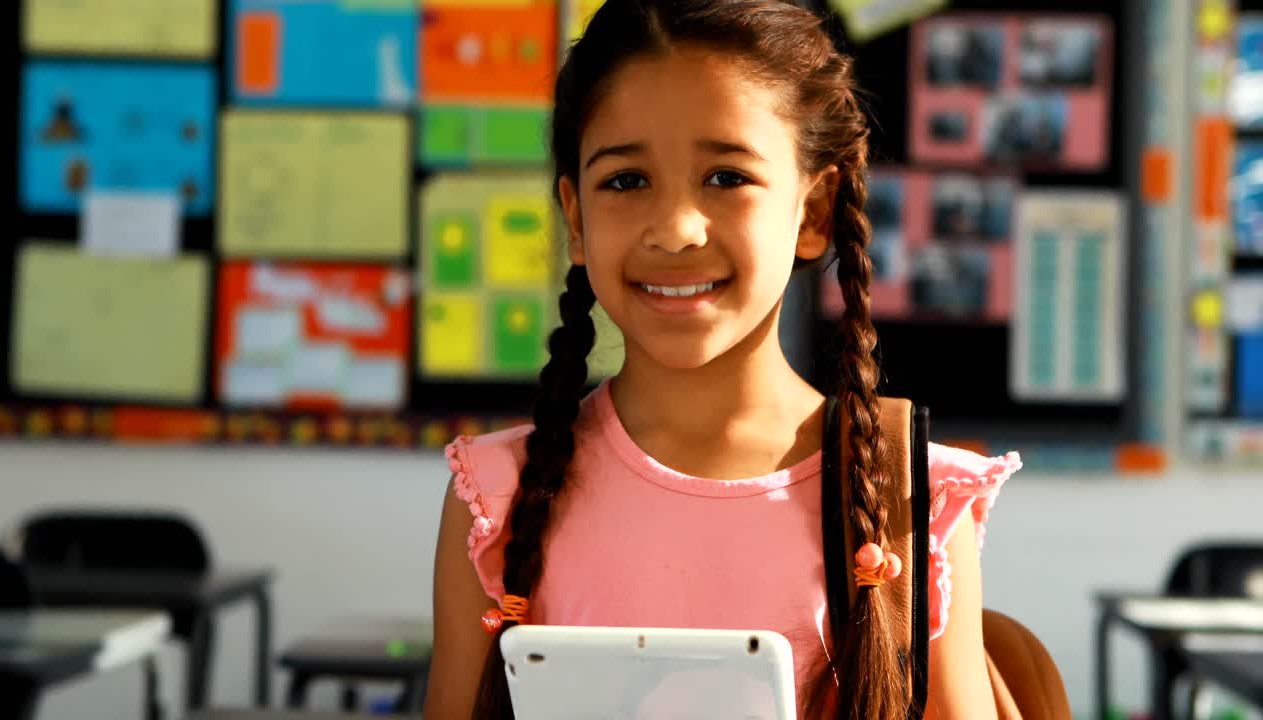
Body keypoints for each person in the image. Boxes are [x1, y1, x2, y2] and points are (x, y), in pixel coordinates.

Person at [425, 1, 1022, 717]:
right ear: (575, 219)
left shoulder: (906, 499)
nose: (676, 230)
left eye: (727, 178)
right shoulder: (496, 502)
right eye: (624, 181)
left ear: (813, 212)